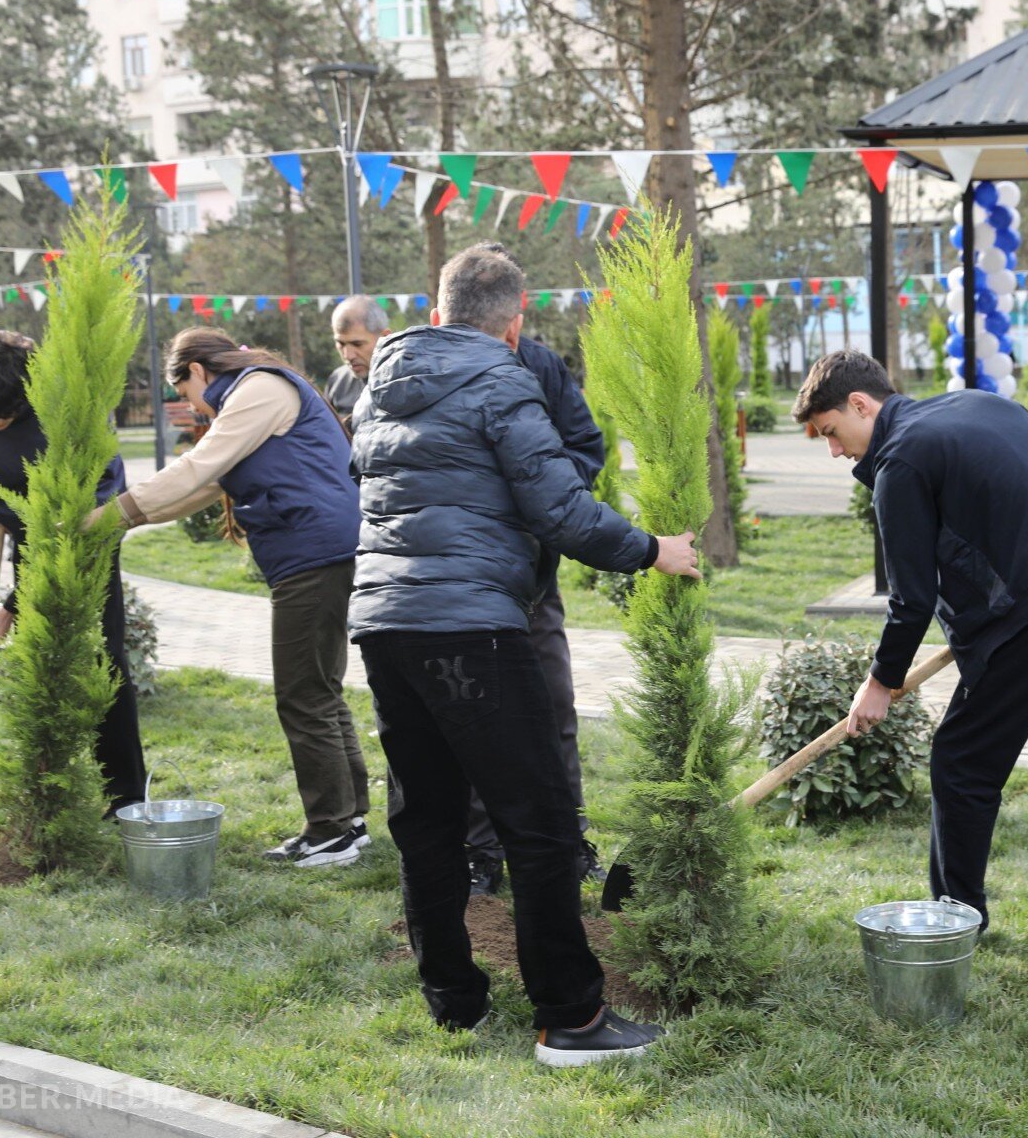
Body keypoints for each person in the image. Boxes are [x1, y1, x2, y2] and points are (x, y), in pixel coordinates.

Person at [348, 244, 698, 1061]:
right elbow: (562, 511)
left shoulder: (381, 383)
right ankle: (571, 1019)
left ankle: (452, 1001)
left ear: (438, 309)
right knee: (539, 824)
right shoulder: (501, 379)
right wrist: (653, 550)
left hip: (383, 624)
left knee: (427, 821)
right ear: (515, 321)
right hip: (472, 629)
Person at [795, 351, 1028, 957]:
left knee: (962, 762)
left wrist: (880, 682)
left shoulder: (900, 460)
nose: (835, 451)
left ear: (860, 405)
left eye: (831, 432)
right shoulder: (982, 403)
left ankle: (957, 923)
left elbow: (911, 598)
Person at [97, 328, 369, 868]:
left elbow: (197, 467)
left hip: (315, 555)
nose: (192, 407)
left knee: (302, 695)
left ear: (198, 371)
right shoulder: (256, 393)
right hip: (323, 551)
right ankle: (348, 820)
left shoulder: (257, 390)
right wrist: (124, 522)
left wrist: (108, 514)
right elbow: (204, 488)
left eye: (184, 393)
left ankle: (330, 831)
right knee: (319, 690)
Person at [0, 331, 147, 814]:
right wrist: (4, 505)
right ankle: (45, 796)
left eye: (1, 414)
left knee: (101, 663)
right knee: (42, 664)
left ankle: (125, 795)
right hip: (27, 529)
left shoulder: (69, 418)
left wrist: (9, 609)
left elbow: (96, 508)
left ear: (27, 396)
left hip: (84, 543)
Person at [326, 296, 388, 428]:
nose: (348, 355)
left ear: (385, 337)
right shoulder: (337, 381)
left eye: (357, 344)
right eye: (341, 344)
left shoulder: (406, 382)